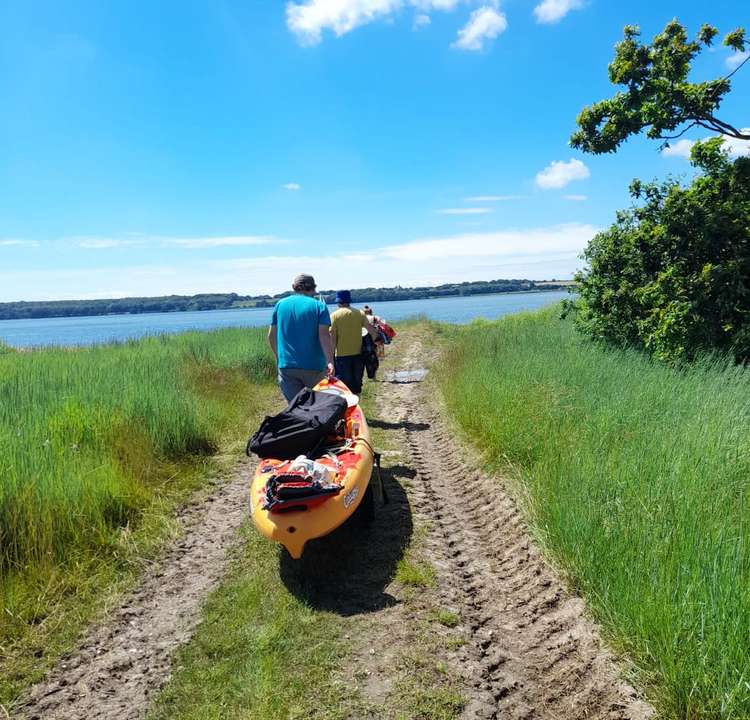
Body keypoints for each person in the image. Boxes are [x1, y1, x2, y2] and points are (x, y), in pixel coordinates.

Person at [268, 273, 335, 402]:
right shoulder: (319, 306)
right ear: (313, 288)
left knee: (296, 408)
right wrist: (330, 361)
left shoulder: (280, 304)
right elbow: (324, 336)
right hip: (314, 366)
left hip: (287, 366)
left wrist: (278, 357)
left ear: (294, 287)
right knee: (318, 406)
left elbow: (271, 336)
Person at [330, 290, 380, 394]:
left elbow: (333, 339)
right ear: (349, 300)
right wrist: (376, 342)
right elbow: (371, 331)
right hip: (358, 354)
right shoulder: (359, 313)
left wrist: (330, 358)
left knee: (344, 386)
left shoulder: (334, 316)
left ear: (338, 302)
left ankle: (349, 408)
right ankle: (358, 404)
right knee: (357, 384)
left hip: (341, 356)